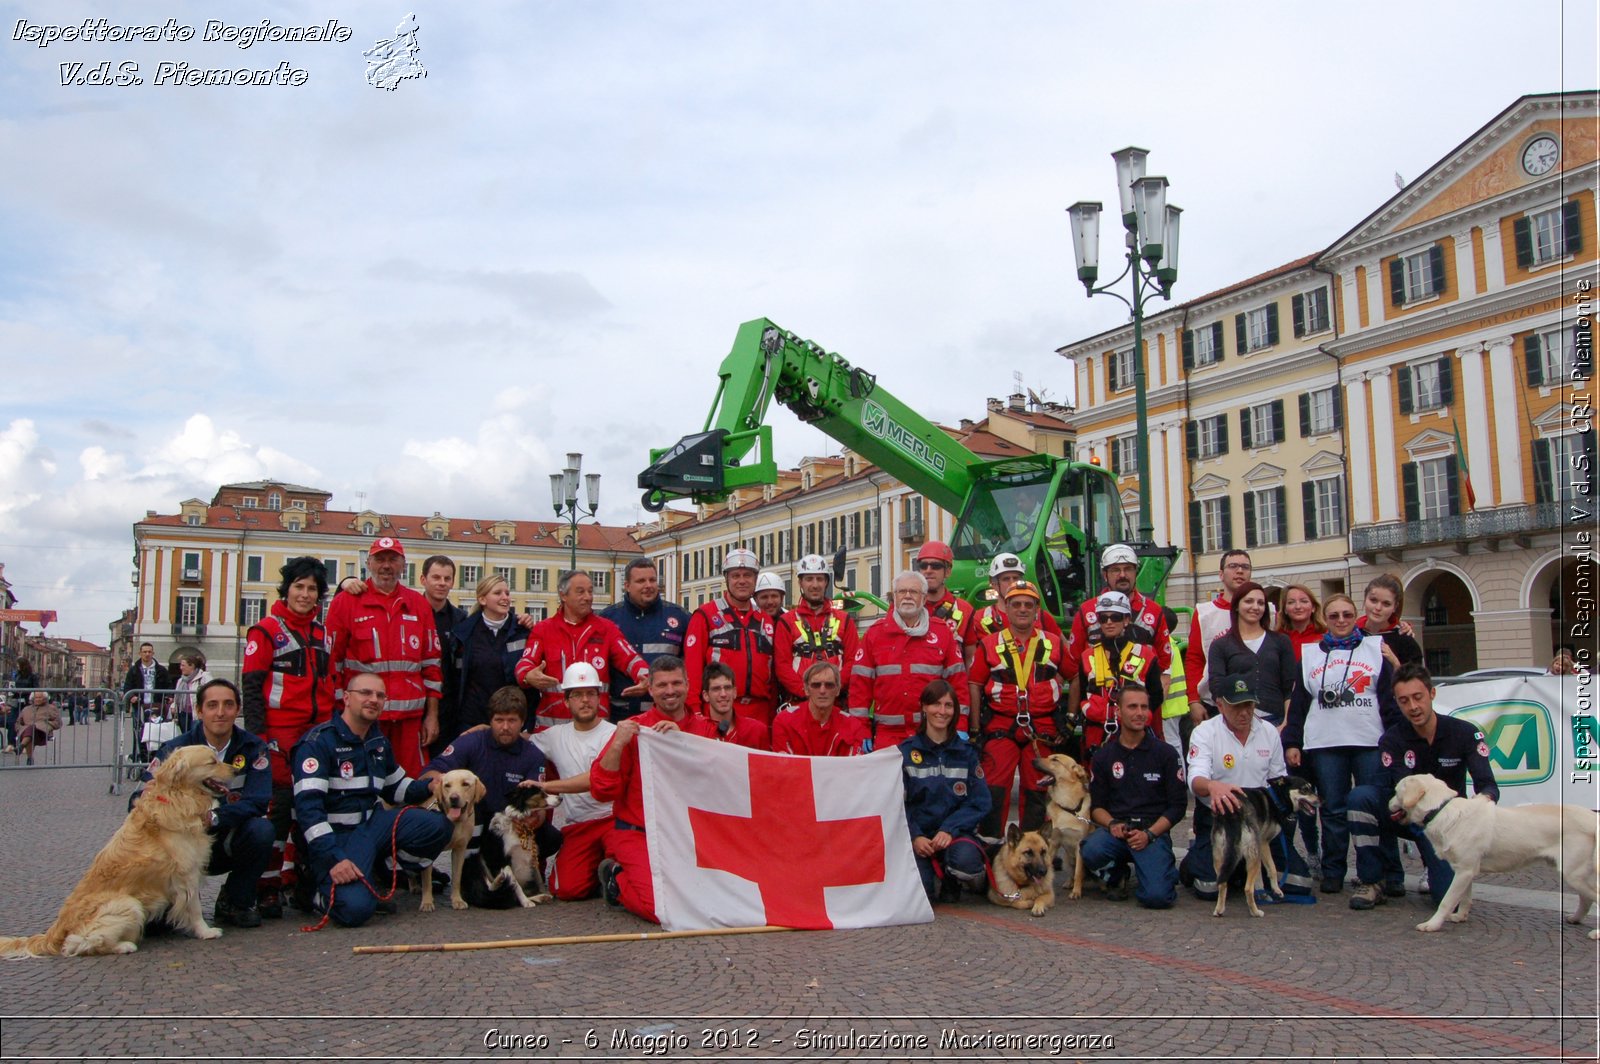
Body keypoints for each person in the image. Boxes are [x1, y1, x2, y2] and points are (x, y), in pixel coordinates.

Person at [291, 673, 452, 928]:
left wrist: (429, 786)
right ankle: (312, 890)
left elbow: (396, 788)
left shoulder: (377, 742)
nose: (373, 700)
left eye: (380, 695)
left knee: (437, 826)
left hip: (371, 827)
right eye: (365, 693)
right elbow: (309, 813)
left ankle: (381, 871)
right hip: (337, 836)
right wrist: (333, 858)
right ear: (346, 698)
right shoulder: (317, 744)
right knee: (355, 911)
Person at [1346, 663, 1499, 912]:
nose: (1413, 707)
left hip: (1446, 824)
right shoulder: (1391, 740)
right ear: (1397, 702)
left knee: (1449, 902)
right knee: (1361, 797)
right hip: (1408, 816)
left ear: (1432, 694)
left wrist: (1478, 811)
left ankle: (1433, 865)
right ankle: (1372, 880)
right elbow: (1401, 790)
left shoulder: (1465, 733)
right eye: (1404, 701)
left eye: (1418, 697)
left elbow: (1488, 785)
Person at [1283, 593, 1403, 895]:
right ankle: (1334, 870)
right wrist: (1292, 740)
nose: (1340, 621)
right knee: (1333, 810)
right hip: (1326, 742)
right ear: (1326, 617)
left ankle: (1383, 873)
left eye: (1347, 615)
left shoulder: (1375, 649)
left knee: (1375, 808)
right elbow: (1299, 703)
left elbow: (1388, 699)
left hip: (1369, 741)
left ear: (1355, 616)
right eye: (1334, 615)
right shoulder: (1311, 654)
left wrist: (1394, 740)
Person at [132, 678, 275, 929]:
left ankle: (235, 900)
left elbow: (259, 801)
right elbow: (138, 799)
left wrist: (213, 817)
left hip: (224, 840)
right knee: (157, 929)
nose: (220, 712)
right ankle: (174, 901)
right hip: (178, 846)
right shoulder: (175, 749)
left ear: (237, 709)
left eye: (228, 705)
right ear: (199, 711)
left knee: (262, 831)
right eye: (212, 705)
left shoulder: (254, 748)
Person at [242, 556, 337, 918]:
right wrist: (258, 739)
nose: (305, 594)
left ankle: (297, 878)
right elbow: (251, 688)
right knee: (278, 810)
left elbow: (330, 683)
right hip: (279, 734)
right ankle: (265, 887)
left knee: (311, 807)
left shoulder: (322, 633)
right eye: (299, 586)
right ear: (287, 589)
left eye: (312, 588)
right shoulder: (265, 631)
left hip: (316, 733)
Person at [590, 656, 717, 923]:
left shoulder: (705, 729)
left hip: (688, 835)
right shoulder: (635, 730)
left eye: (676, 683)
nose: (670, 691)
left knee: (710, 902)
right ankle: (616, 878)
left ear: (688, 684)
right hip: (639, 834)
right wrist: (617, 744)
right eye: (661, 685)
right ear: (650, 689)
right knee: (661, 910)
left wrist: (680, 741)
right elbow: (601, 789)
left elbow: (716, 781)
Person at [1178, 673, 1313, 900]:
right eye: (1236, 706)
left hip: (1258, 819)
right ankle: (1196, 860)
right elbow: (1195, 781)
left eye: (1249, 705)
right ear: (1220, 705)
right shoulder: (1204, 732)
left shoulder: (1269, 731)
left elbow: (1279, 782)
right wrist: (1213, 786)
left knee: (1299, 883)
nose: (1244, 713)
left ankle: (1245, 867)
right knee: (1208, 889)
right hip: (1220, 816)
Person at [324, 536, 444, 779]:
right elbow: (331, 665)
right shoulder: (345, 603)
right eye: (380, 559)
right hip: (363, 719)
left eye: (393, 559)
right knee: (362, 783)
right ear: (368, 563)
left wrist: (432, 716)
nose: (386, 566)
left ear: (403, 565)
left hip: (410, 723)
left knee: (412, 786)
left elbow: (432, 666)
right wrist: (339, 713)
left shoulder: (418, 605)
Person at [421, 685, 562, 887]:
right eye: (499, 720)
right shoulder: (472, 742)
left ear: (522, 721)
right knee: (481, 891)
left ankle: (513, 867)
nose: (505, 727)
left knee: (551, 837)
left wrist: (530, 820)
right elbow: (432, 772)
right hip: (475, 826)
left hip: (508, 826)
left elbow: (538, 809)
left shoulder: (533, 755)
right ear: (490, 720)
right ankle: (473, 871)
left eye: (512, 720)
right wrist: (444, 788)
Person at [970, 579, 1070, 834]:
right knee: (994, 790)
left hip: (1042, 727)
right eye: (1016, 604)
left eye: (1028, 604)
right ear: (1007, 609)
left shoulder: (1053, 642)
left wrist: (1070, 717)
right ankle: (990, 851)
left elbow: (1076, 676)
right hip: (1001, 727)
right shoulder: (990, 643)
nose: (1022, 609)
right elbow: (974, 683)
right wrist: (974, 728)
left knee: (1038, 793)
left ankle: (1032, 853)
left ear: (1037, 610)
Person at [1081, 685, 1186, 908]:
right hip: (1118, 832)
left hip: (1152, 832)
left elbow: (1177, 807)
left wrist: (1149, 834)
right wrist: (1111, 824)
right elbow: (1096, 807)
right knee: (1090, 850)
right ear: (1118, 712)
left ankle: (1159, 870)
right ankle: (1117, 874)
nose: (1139, 713)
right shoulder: (1103, 756)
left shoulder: (1165, 754)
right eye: (1132, 707)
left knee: (1157, 898)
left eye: (1144, 707)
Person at [847, 570, 968, 749]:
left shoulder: (942, 633)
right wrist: (860, 729)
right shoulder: (875, 634)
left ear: (925, 599)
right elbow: (860, 687)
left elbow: (958, 683)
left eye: (914, 592)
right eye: (902, 591)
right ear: (894, 597)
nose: (907, 596)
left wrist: (960, 724)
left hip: (933, 733)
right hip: (889, 736)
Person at [516, 570, 647, 731]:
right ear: (563, 595)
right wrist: (527, 676)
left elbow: (630, 658)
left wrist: (645, 676)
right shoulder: (543, 629)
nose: (588, 597)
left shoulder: (606, 629)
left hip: (594, 729)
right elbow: (525, 662)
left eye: (590, 591)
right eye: (580, 592)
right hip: (551, 731)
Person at [531, 664, 619, 900]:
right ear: (566, 701)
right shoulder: (553, 736)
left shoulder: (614, 734)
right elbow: (519, 743)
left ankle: (609, 867)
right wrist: (484, 730)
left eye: (590, 693)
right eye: (577, 695)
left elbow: (596, 778)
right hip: (579, 825)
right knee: (566, 890)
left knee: (628, 867)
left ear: (599, 698)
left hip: (613, 820)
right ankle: (598, 870)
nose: (585, 700)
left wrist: (548, 787)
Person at [900, 679, 990, 903]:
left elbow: (980, 802)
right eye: (936, 705)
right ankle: (929, 874)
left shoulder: (966, 753)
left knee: (967, 864)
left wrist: (950, 830)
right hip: (919, 838)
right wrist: (915, 836)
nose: (942, 711)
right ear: (924, 707)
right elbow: (897, 805)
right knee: (922, 896)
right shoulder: (905, 753)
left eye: (948, 706)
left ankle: (952, 878)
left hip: (954, 835)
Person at [682, 549, 779, 722]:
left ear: (755, 579)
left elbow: (773, 675)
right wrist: (694, 711)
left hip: (760, 714)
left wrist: (772, 715)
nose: (742, 581)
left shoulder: (766, 620)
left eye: (747, 575)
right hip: (717, 712)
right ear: (726, 579)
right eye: (736, 576)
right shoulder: (705, 615)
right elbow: (692, 668)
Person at [1067, 591, 1160, 759]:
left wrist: (1135, 717)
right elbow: (1082, 694)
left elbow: (1156, 696)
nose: (1109, 622)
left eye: (1115, 617)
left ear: (1126, 620)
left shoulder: (1145, 655)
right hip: (1096, 733)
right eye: (1103, 618)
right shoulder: (1087, 656)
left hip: (1134, 733)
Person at [1068, 542, 1172, 688]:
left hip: (1140, 703)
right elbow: (1074, 662)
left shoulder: (1153, 611)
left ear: (1136, 572)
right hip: (1100, 701)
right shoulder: (1087, 611)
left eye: (1128, 569)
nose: (1122, 575)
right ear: (1105, 575)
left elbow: (1164, 661)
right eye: (1116, 570)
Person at [599, 557, 689, 723]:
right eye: (641, 581)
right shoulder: (608, 619)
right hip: (620, 716)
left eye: (652, 580)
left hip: (666, 716)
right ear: (626, 585)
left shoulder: (680, 617)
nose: (648, 585)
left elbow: (691, 663)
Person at [1206, 582, 1297, 727]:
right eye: (1249, 601)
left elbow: (1290, 686)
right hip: (1236, 722)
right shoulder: (1220, 645)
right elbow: (1217, 686)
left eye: (1261, 603)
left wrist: (1286, 723)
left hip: (1276, 721)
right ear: (1236, 605)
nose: (1255, 607)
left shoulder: (1281, 641)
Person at [774, 554, 859, 705]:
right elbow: (782, 665)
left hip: (836, 703)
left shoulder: (844, 620)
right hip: (799, 703)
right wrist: (806, 692)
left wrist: (833, 690)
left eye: (819, 579)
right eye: (809, 579)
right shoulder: (787, 622)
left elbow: (853, 661)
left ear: (826, 582)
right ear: (800, 582)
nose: (815, 585)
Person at [448, 575, 529, 734]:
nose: (505, 597)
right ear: (482, 599)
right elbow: (455, 679)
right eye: (498, 593)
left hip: (510, 720)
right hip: (473, 719)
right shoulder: (464, 633)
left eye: (507, 593)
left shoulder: (522, 631)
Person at [419, 555, 469, 754]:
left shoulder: (462, 620)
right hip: (416, 704)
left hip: (450, 707)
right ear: (423, 580)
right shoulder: (410, 613)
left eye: (447, 579)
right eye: (436, 577)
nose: (442, 583)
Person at [968, 553, 1064, 652]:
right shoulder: (979, 619)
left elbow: (1064, 650)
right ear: (994, 584)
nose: (1012, 583)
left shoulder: (1041, 616)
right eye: (1006, 579)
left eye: (1016, 578)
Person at [771, 661, 869, 756]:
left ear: (838, 690)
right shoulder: (784, 722)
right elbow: (784, 767)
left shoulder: (853, 726)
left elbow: (856, 769)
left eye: (829, 685)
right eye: (816, 685)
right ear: (806, 689)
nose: (822, 691)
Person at [915, 541, 977, 660]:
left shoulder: (964, 610)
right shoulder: (906, 607)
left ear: (947, 571)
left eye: (936, 566)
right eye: (923, 566)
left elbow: (970, 658)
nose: (928, 570)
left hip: (951, 678)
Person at [1359, 574, 1423, 669]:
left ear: (1395, 607)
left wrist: (1395, 663)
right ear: (1365, 599)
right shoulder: (1351, 635)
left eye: (1386, 604)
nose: (1378, 608)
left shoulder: (1406, 642)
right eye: (1373, 600)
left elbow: (1415, 681)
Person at [702, 663, 771, 750]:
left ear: (735, 692)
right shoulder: (695, 732)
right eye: (716, 689)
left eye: (727, 688)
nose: (723, 694)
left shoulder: (757, 731)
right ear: (706, 696)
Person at [121, 642, 172, 725]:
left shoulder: (161, 670)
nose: (147, 654)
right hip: (139, 705)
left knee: (156, 730)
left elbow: (169, 684)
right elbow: (127, 686)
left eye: (149, 652)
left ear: (153, 653)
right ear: (140, 653)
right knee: (138, 729)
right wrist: (131, 696)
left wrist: (169, 696)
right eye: (144, 652)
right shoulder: (134, 670)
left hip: (157, 704)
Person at [1276, 584, 1327, 661]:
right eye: (1291, 602)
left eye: (1304, 601)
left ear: (1313, 607)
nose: (1298, 607)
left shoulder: (1326, 636)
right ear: (1285, 609)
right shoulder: (1276, 639)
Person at [16, 691, 61, 766]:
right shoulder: (26, 709)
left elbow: (58, 722)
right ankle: (29, 758)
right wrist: (20, 729)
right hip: (27, 732)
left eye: (40, 697)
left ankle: (22, 747)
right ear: (32, 699)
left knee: (31, 729)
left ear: (45, 699)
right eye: (36, 697)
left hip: (42, 732)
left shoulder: (51, 708)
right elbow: (18, 722)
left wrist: (47, 725)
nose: (38, 699)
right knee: (30, 731)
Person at [171, 653, 212, 732]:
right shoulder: (181, 680)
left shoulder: (204, 677)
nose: (180, 668)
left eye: (183, 665)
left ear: (192, 666)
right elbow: (177, 696)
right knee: (185, 736)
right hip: (183, 713)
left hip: (197, 714)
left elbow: (212, 691)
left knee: (196, 735)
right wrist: (173, 706)